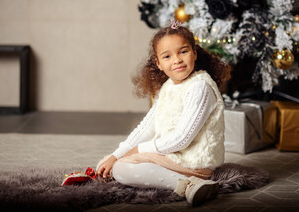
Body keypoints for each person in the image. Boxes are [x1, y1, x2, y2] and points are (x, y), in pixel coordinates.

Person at [96, 19, 231, 206]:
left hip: (195, 162)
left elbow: (182, 138)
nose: (176, 60)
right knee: (109, 163)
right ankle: (170, 176)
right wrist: (116, 154)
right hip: (173, 155)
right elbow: (146, 128)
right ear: (158, 63)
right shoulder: (167, 88)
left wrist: (135, 152)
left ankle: (189, 185)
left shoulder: (200, 86)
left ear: (194, 53)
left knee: (121, 169)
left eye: (183, 52)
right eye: (167, 57)